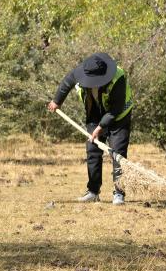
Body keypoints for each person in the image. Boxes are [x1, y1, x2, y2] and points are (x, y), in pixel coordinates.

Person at [47, 53, 134, 205]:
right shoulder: (82, 71)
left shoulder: (118, 77)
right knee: (92, 150)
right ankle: (93, 191)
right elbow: (67, 83)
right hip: (94, 113)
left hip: (119, 116)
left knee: (118, 153)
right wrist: (56, 101)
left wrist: (100, 128)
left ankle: (119, 193)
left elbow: (115, 110)